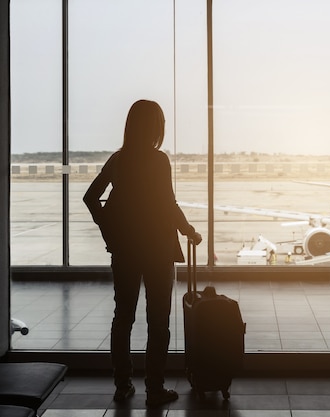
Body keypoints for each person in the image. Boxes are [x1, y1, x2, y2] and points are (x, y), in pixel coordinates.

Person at [83, 99, 202, 407]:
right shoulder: (158, 160)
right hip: (158, 251)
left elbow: (90, 197)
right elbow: (168, 205)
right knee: (158, 321)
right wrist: (188, 230)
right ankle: (154, 388)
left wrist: (109, 231)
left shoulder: (118, 160)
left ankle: (123, 386)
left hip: (125, 252)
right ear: (155, 127)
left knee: (123, 318)